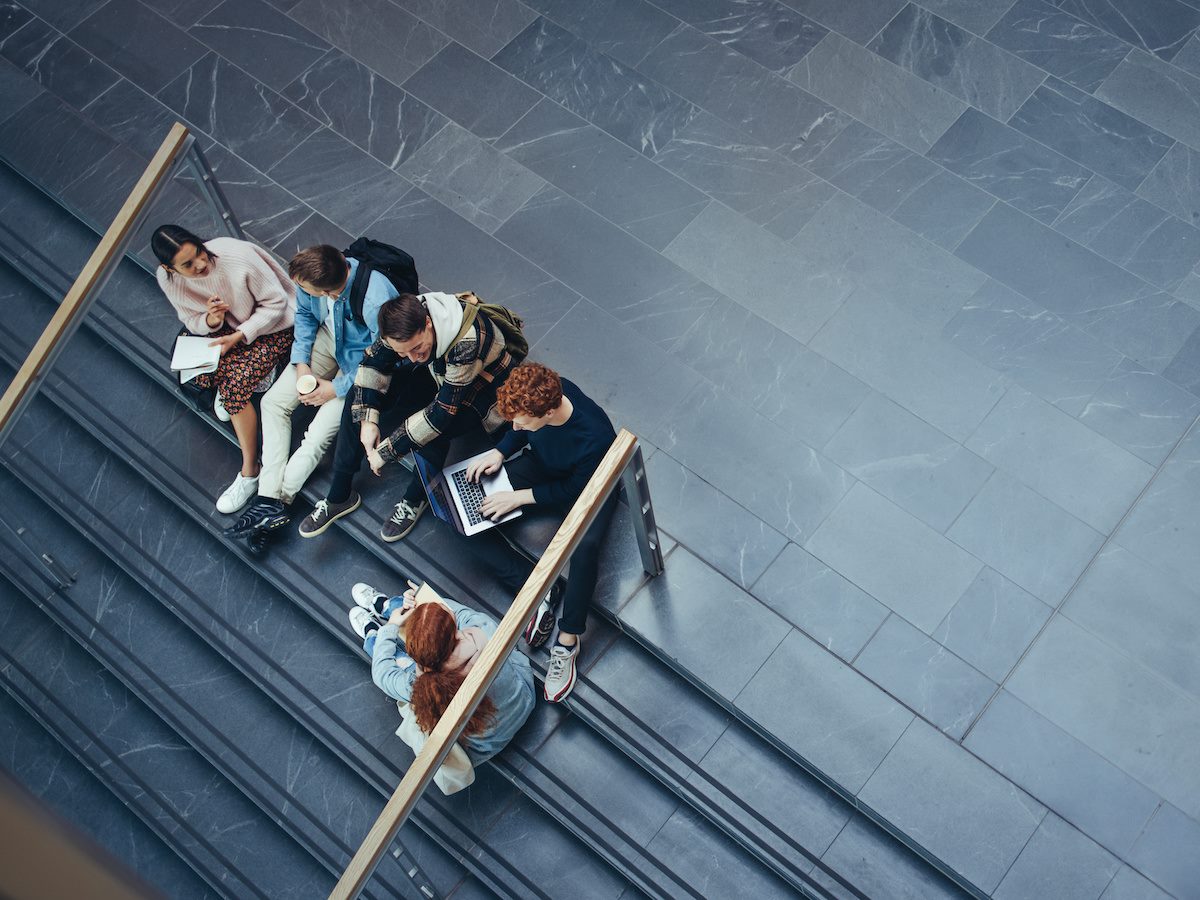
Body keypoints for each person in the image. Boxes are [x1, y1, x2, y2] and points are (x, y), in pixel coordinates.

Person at [299, 291, 519, 543]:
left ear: (427, 323)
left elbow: (439, 415)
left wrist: (385, 453)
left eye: (415, 348)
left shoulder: (467, 342)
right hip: (438, 372)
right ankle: (339, 494)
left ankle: (415, 499)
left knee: (435, 433)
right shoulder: (401, 320)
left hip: (481, 388)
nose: (412, 357)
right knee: (357, 396)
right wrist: (367, 421)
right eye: (403, 353)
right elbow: (372, 362)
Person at [221, 245, 399, 551]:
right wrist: (301, 360)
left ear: (330, 292)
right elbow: (304, 315)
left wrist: (336, 388)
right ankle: (267, 500)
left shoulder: (375, 301)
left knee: (317, 435)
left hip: (360, 362)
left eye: (308, 290)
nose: (301, 292)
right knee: (272, 403)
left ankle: (275, 501)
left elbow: (383, 357)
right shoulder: (310, 276)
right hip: (327, 341)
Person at [464, 363, 617, 703]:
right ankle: (535, 590)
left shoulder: (595, 437)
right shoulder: (545, 396)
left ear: (548, 412)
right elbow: (520, 430)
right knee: (465, 517)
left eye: (521, 421)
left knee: (584, 546)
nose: (514, 426)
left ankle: (568, 639)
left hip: (590, 486)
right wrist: (500, 450)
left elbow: (575, 490)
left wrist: (518, 497)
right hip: (545, 468)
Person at [152, 225, 294, 516]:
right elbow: (191, 320)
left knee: (234, 390)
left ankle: (250, 470)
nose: (201, 265)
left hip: (275, 326)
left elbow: (278, 303)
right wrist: (212, 320)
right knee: (193, 372)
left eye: (200, 253)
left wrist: (240, 335)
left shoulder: (237, 257)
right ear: (169, 268)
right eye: (188, 265)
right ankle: (244, 380)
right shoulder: (168, 280)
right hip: (228, 328)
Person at [347, 581, 535, 771]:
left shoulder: (422, 685)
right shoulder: (484, 631)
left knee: (399, 660)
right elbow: (454, 614)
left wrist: (392, 627)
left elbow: (382, 674)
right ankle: (388, 607)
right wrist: (424, 598)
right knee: (426, 615)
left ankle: (375, 633)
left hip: (485, 748)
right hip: (525, 700)